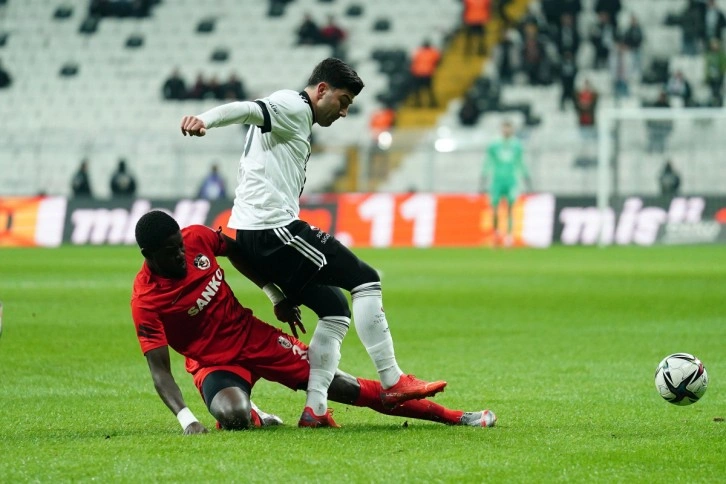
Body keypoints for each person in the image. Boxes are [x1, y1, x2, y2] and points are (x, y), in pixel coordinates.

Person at [179, 58, 446, 426]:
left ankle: (315, 409)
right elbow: (246, 108)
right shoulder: (292, 105)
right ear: (321, 90)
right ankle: (393, 379)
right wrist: (204, 120)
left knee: (334, 308)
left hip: (254, 235)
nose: (345, 110)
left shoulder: (298, 117)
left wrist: (276, 294)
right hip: (274, 230)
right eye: (343, 100)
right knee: (366, 279)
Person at [131, 210, 497, 431]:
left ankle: (454, 416)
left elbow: (240, 252)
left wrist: (275, 294)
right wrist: (187, 420)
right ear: (149, 255)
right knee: (234, 415)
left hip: (253, 337)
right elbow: (160, 371)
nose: (181, 254)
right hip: (213, 363)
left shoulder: (197, 238)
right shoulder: (146, 300)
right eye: (170, 252)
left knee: (342, 387)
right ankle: (255, 412)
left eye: (180, 245)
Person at [481, 120, 531, 247]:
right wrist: (484, 175)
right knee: (494, 209)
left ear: (512, 130)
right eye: (504, 128)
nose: (506, 131)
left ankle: (509, 237)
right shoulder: (494, 145)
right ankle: (496, 235)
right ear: (501, 129)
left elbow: (520, 162)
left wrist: (525, 176)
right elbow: (488, 161)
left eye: (508, 128)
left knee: (510, 208)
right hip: (497, 180)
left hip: (511, 180)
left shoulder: (517, 145)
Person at [410, 40, 441, 107]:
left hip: (418, 74)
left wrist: (413, 72)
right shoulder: (433, 52)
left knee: (417, 91)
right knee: (429, 90)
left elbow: (414, 62)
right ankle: (432, 103)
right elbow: (438, 61)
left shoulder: (419, 52)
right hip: (427, 74)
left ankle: (417, 104)